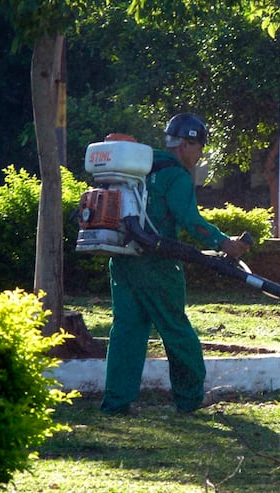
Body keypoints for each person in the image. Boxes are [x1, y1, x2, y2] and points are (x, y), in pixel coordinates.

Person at [100, 113, 249, 415]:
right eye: (200, 146)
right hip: (158, 266)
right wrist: (225, 243)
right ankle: (190, 398)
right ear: (185, 144)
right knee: (177, 332)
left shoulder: (139, 167)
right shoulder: (176, 175)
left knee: (127, 332)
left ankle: (116, 403)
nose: (201, 153)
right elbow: (191, 222)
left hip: (123, 260)